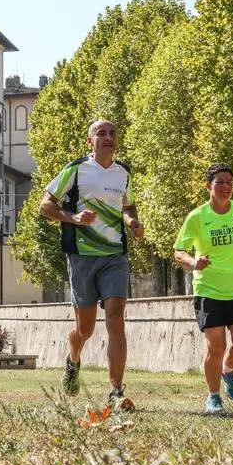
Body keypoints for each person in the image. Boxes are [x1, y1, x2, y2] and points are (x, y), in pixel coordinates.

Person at [39, 120, 144, 410]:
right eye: (101, 133)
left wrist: (132, 221)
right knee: (84, 330)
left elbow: (127, 205)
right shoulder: (76, 169)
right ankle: (73, 359)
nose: (108, 137)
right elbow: (45, 205)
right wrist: (73, 218)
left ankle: (116, 392)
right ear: (90, 140)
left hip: (114, 255)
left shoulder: (123, 172)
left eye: (112, 133)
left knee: (116, 318)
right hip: (82, 255)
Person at [173, 162, 233, 415]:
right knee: (215, 346)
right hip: (208, 289)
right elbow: (178, 252)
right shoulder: (197, 217)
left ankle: (227, 369)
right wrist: (194, 262)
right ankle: (213, 398)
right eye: (220, 182)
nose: (226, 187)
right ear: (209, 186)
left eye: (229, 182)